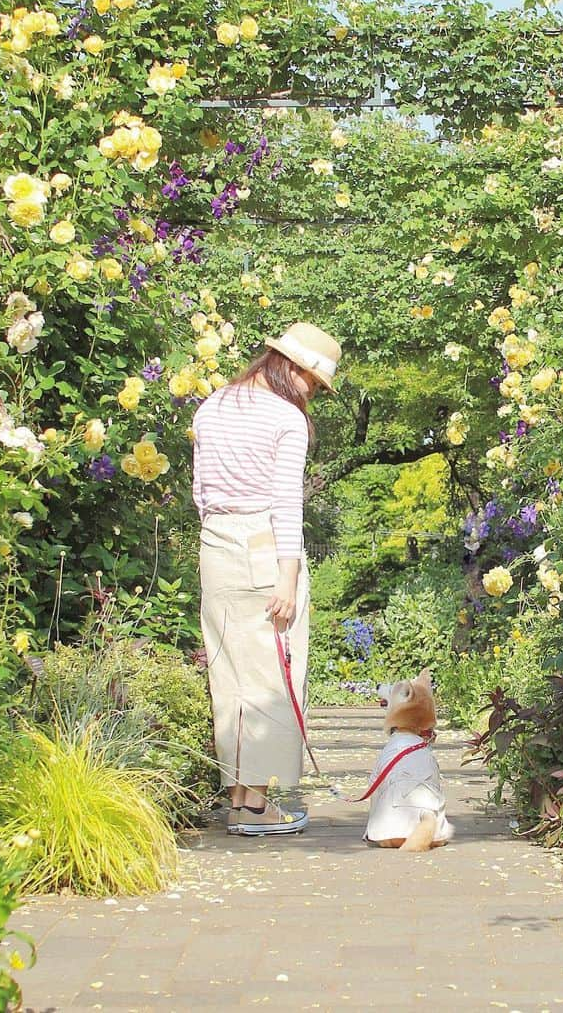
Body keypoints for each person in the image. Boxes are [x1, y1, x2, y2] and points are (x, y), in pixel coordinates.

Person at [191, 321, 341, 836]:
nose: (312, 395)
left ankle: (238, 798)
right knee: (272, 678)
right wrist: (287, 576)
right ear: (293, 367)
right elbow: (285, 505)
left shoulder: (211, 406)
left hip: (214, 548)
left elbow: (199, 491)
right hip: (264, 544)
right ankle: (255, 808)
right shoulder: (285, 417)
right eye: (314, 384)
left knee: (228, 674)